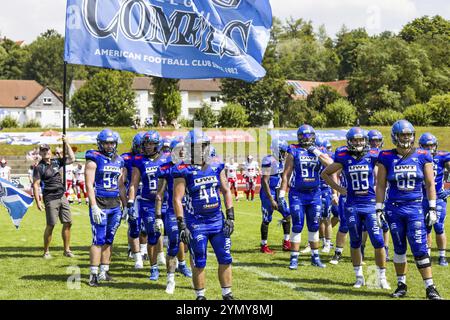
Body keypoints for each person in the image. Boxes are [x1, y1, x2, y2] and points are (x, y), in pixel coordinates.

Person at [376, 120, 442, 300]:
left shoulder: (423, 155)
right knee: (399, 248)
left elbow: (430, 184)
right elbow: (380, 186)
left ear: (413, 135)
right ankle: (401, 284)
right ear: (395, 137)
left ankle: (430, 287)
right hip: (394, 209)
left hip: (415, 207)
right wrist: (378, 209)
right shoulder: (386, 156)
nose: (406, 138)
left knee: (420, 247)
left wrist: (433, 207)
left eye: (408, 134)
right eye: (402, 135)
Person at [321, 127, 390, 289]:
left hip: (370, 203)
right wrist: (338, 190)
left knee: (378, 241)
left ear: (365, 141)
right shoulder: (343, 156)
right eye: (355, 140)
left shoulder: (373, 155)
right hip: (352, 205)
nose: (358, 143)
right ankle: (359, 276)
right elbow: (325, 173)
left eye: (361, 140)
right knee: (355, 241)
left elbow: (388, 166)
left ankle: (382, 277)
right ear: (349, 141)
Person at [172, 129, 235, 300]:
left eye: (204, 146)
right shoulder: (182, 170)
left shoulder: (216, 165)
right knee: (199, 259)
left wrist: (230, 216)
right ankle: (200, 296)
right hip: (197, 223)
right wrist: (182, 225)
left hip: (217, 221)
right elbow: (177, 199)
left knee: (225, 257)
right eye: (198, 147)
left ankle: (227, 294)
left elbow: (226, 190)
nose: (202, 150)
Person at [278, 125, 333, 270]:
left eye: (308, 136)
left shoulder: (319, 150)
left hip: (315, 193)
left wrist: (315, 151)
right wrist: (282, 194)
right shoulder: (293, 150)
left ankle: (315, 257)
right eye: (303, 136)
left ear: (314, 137)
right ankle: (294, 258)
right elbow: (286, 174)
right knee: (297, 225)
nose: (306, 139)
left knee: (314, 226)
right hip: (297, 194)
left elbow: (331, 165)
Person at [85, 129, 127, 286]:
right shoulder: (93, 158)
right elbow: (89, 184)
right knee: (98, 240)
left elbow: (121, 185)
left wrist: (126, 205)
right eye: (106, 143)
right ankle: (93, 274)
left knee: (109, 240)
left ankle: (104, 271)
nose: (109, 146)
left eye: (111, 143)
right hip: (100, 203)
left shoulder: (119, 161)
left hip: (115, 205)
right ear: (100, 143)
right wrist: (94, 206)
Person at [128, 130, 167, 281]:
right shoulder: (139, 160)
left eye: (151, 144)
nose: (148, 147)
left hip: (165, 202)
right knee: (152, 234)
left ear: (158, 145)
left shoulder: (166, 159)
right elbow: (133, 183)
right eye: (146, 144)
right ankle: (153, 267)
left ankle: (180, 264)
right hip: (147, 202)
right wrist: (130, 203)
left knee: (174, 236)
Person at [155, 138, 192, 294]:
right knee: (173, 244)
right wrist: (158, 216)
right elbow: (159, 195)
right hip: (172, 211)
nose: (182, 151)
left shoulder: (193, 166)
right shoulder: (166, 168)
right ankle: (170, 279)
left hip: (192, 211)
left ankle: (188, 269)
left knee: (194, 245)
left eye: (184, 148)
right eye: (179, 149)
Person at [32, 138, 75, 259]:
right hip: (50, 198)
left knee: (68, 222)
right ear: (40, 153)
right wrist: (38, 202)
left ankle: (67, 250)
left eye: (47, 150)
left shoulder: (56, 161)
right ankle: (46, 251)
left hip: (62, 196)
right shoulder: (39, 167)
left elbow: (72, 158)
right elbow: (35, 185)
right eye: (43, 151)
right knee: (51, 224)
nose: (45, 152)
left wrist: (66, 143)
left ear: (50, 151)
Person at [419, 133, 450, 267]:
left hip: (438, 198)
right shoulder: (416, 157)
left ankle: (442, 256)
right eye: (426, 145)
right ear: (421, 146)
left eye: (432, 145)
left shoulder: (442, 157)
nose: (430, 148)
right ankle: (427, 255)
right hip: (421, 198)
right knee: (425, 227)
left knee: (439, 226)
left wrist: (448, 190)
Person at [361, 130, 390, 262]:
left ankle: (386, 249)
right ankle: (361, 247)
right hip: (369, 194)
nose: (375, 143)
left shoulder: (385, 155)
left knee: (384, 224)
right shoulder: (366, 156)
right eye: (372, 140)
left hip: (385, 192)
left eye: (377, 140)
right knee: (365, 225)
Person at [259, 139, 291, 254]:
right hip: (268, 194)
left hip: (278, 192)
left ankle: (287, 242)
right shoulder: (268, 160)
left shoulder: (281, 161)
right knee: (267, 219)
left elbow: (283, 177)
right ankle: (264, 245)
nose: (284, 154)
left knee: (287, 215)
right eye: (282, 152)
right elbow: (264, 181)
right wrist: (271, 199)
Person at [121, 132, 148, 268]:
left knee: (146, 226)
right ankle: (134, 250)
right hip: (133, 194)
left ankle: (143, 250)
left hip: (147, 195)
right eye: (140, 146)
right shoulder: (126, 158)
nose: (142, 149)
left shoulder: (150, 158)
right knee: (134, 224)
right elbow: (123, 179)